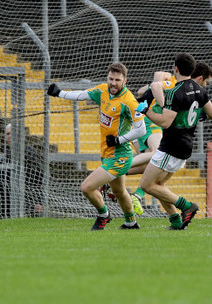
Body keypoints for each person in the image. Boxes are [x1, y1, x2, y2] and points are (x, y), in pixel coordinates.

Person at [47, 62, 146, 230]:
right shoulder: (102, 91)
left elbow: (141, 129)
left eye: (117, 80)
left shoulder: (129, 101)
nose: (113, 83)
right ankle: (131, 222)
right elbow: (82, 95)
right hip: (107, 153)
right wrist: (59, 93)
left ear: (125, 81)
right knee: (120, 192)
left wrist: (118, 140)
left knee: (86, 187)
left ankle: (104, 215)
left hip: (120, 156)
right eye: (111, 79)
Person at [135, 53, 212, 230]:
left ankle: (187, 206)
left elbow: (165, 121)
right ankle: (175, 221)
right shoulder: (200, 90)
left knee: (146, 185)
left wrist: (145, 111)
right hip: (186, 146)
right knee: (159, 185)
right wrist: (193, 117)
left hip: (171, 147)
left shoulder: (174, 92)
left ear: (176, 69)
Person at [4, 123, 45, 218]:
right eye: (7, 134)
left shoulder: (30, 153)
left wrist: (38, 201)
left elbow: (37, 178)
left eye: (12, 133)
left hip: (29, 200)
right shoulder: (8, 154)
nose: (9, 137)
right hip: (12, 198)